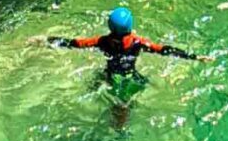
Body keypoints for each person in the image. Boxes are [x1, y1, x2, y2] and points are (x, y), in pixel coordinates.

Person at [48, 6, 202, 83]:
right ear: (130, 27)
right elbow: (165, 50)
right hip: (130, 76)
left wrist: (45, 40)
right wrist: (193, 57)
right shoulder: (138, 42)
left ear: (110, 26)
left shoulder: (102, 42)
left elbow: (73, 43)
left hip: (109, 76)